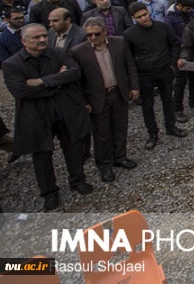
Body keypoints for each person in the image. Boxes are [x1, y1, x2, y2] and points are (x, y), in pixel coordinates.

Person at [2, 23, 91, 211]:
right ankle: (49, 193)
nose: (42, 40)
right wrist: (58, 84)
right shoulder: (12, 64)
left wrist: (42, 81)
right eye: (36, 37)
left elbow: (74, 73)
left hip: (64, 110)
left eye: (44, 35)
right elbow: (21, 92)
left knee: (73, 146)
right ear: (24, 41)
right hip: (36, 115)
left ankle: (77, 180)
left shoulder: (59, 53)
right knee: (41, 155)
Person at [72, 17, 140, 183]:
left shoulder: (119, 43)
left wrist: (134, 86)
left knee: (120, 127)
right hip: (97, 98)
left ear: (105, 32)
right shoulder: (78, 52)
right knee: (101, 134)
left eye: (96, 34)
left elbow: (129, 65)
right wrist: (83, 101)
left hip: (118, 93)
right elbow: (77, 81)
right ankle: (104, 166)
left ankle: (120, 157)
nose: (93, 38)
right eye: (89, 35)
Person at [124, 3, 186, 150]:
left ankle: (171, 126)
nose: (143, 18)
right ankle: (152, 133)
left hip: (164, 70)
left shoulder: (162, 27)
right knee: (148, 105)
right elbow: (129, 59)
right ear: (133, 18)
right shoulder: (129, 35)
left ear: (148, 13)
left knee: (168, 100)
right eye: (139, 17)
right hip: (144, 75)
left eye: (145, 14)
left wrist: (172, 64)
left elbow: (174, 44)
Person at [164, 0, 194, 122]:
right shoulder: (169, 18)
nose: (189, 11)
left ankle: (193, 99)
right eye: (187, 9)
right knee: (181, 82)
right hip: (179, 51)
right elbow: (172, 37)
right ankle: (178, 109)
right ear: (179, 6)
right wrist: (187, 42)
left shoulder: (191, 12)